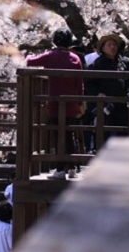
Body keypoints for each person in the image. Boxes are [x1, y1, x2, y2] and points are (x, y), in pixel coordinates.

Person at [25, 28, 84, 175]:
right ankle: (71, 168)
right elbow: (80, 83)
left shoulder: (51, 55)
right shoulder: (75, 58)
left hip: (54, 101)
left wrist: (26, 54)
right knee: (69, 134)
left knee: (57, 134)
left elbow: (30, 62)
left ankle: (59, 168)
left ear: (55, 40)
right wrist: (80, 102)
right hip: (71, 102)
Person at [85, 33, 129, 143]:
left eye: (114, 45)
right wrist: (98, 94)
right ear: (103, 48)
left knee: (123, 135)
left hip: (122, 103)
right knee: (103, 135)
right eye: (109, 45)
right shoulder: (97, 64)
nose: (112, 47)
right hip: (105, 105)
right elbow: (89, 83)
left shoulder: (125, 62)